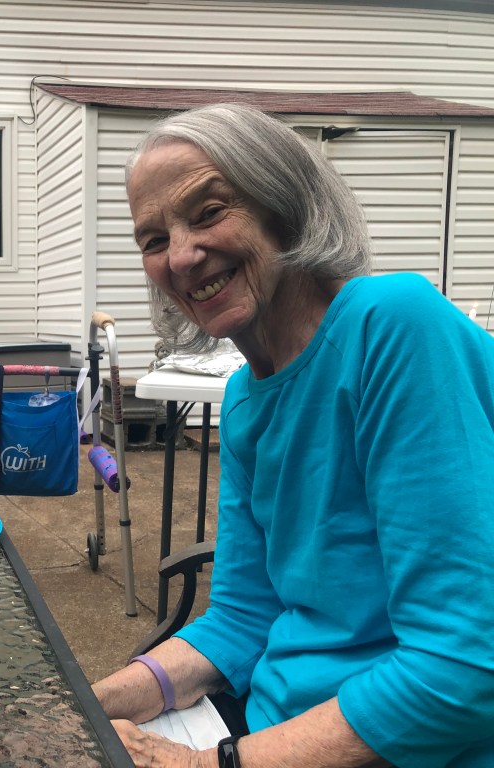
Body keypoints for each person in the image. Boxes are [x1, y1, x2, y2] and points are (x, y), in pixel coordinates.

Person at [92, 104, 494, 768]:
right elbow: (243, 617)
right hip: (272, 729)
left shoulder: (393, 327)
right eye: (154, 239)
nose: (182, 255)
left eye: (208, 212)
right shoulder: (244, 399)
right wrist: (82, 706)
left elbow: (465, 664)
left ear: (286, 206)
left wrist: (202, 764)